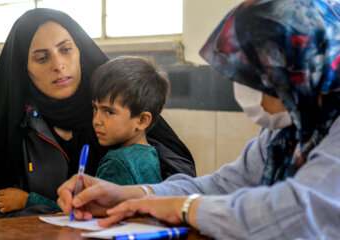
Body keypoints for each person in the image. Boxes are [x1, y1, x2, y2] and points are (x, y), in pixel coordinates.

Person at [57, 0, 340, 239]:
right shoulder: (288, 130)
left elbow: (300, 212)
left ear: (301, 73)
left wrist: (186, 208)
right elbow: (221, 185)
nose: (245, 91)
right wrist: (127, 194)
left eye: (259, 79)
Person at [0, 8, 195, 219]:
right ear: (23, 67)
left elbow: (179, 181)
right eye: (42, 58)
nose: (58, 65)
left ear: (80, 50)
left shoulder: (114, 99)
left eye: (65, 50)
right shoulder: (14, 123)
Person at [91, 56, 169, 185]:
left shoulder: (116, 163)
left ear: (142, 120)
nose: (96, 120)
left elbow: (93, 205)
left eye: (109, 112)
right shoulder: (149, 153)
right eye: (95, 108)